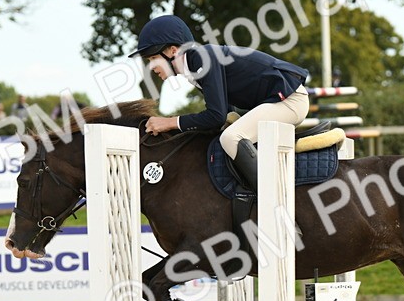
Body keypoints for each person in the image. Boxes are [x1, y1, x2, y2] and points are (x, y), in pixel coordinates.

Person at [132, 14, 309, 189]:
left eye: (153, 58)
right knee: (225, 132)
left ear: (172, 51)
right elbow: (224, 113)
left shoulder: (202, 59)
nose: (152, 67)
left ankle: (272, 196)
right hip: (279, 101)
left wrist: (170, 123)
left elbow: (215, 116)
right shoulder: (195, 64)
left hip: (290, 101)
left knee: (231, 138)